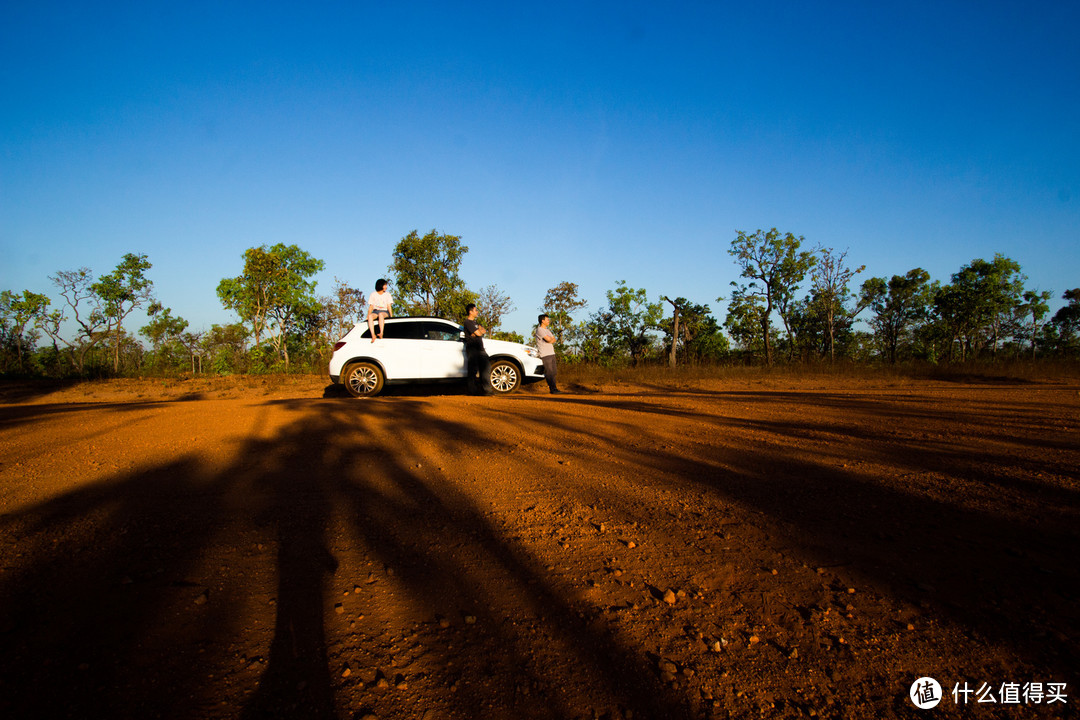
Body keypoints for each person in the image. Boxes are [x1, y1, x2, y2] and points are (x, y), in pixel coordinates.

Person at [463, 303, 492, 394]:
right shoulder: (467, 322)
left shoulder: (476, 323)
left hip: (481, 349)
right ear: (470, 312)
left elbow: (483, 331)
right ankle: (473, 391)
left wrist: (476, 332)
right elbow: (480, 333)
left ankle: (487, 390)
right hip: (472, 349)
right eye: (475, 310)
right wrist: (478, 332)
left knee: (486, 368)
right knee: (473, 370)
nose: (477, 312)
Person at [534, 313, 562, 394]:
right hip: (545, 354)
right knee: (549, 372)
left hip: (551, 353)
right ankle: (553, 389)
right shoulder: (539, 330)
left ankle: (554, 388)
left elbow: (554, 339)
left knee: (554, 372)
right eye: (547, 319)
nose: (549, 321)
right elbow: (549, 339)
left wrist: (551, 339)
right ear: (542, 321)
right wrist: (550, 340)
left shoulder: (547, 330)